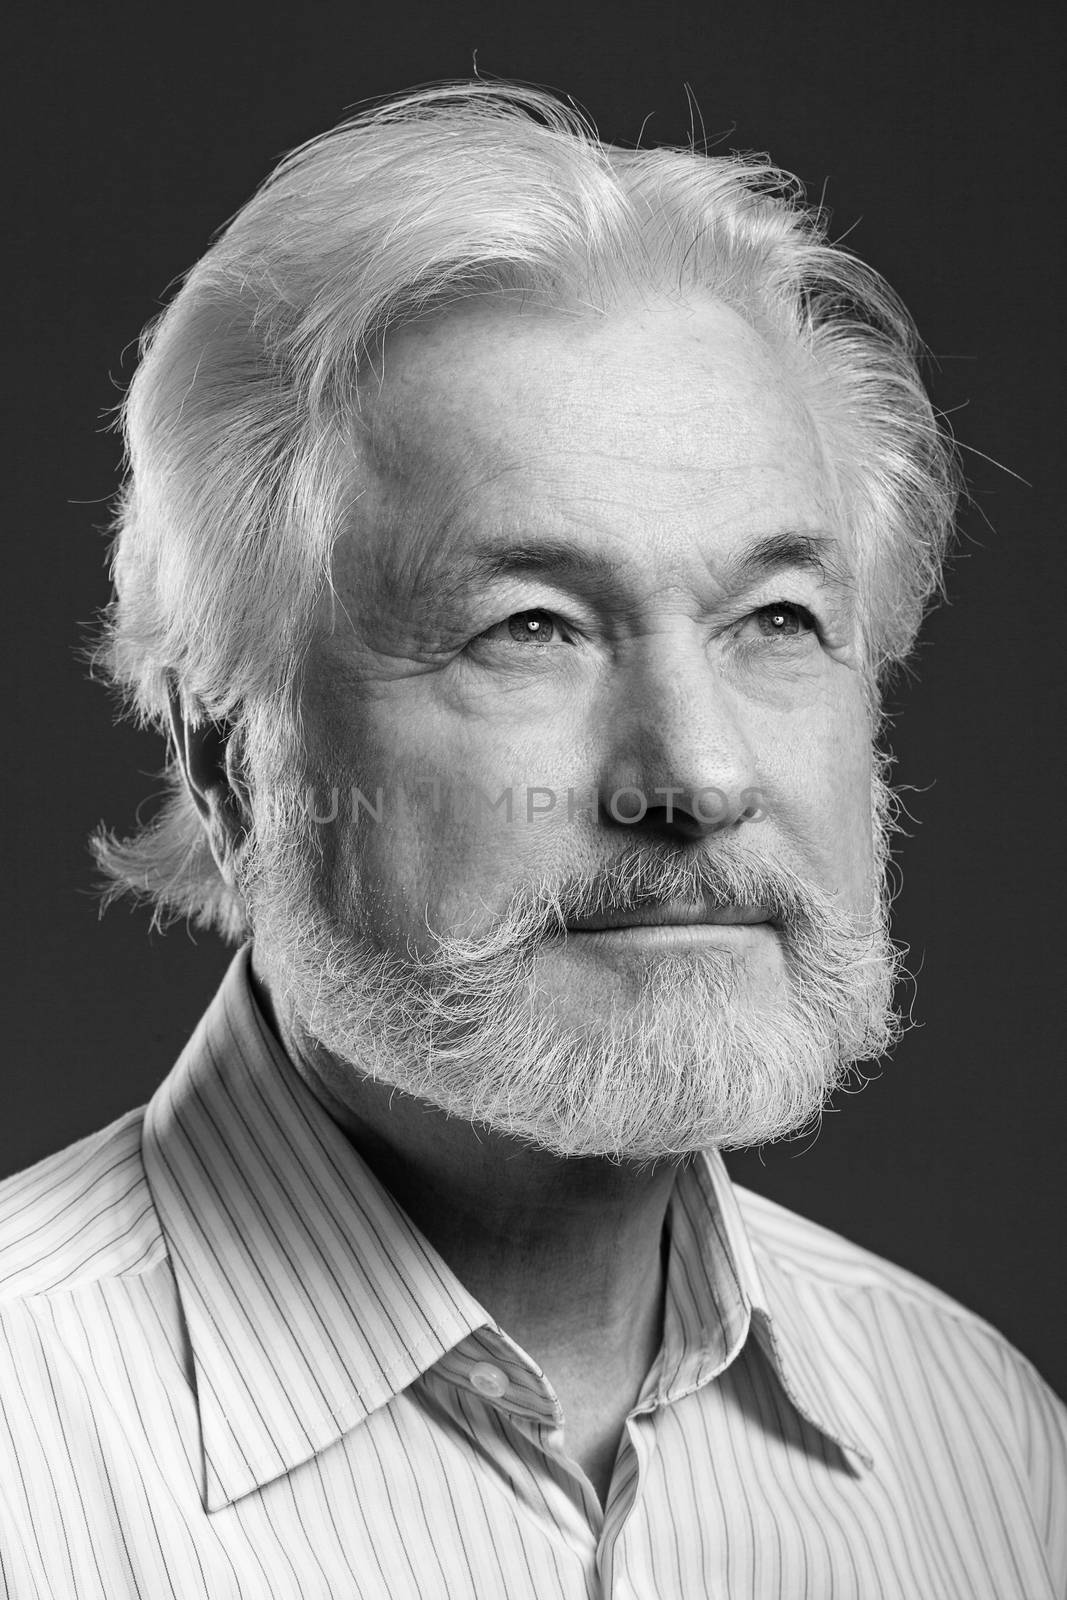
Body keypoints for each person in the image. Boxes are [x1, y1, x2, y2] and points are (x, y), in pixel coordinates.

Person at [1, 80, 1062, 1599]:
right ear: (227, 760)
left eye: (776, 618)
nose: (692, 777)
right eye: (532, 629)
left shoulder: (987, 1447)